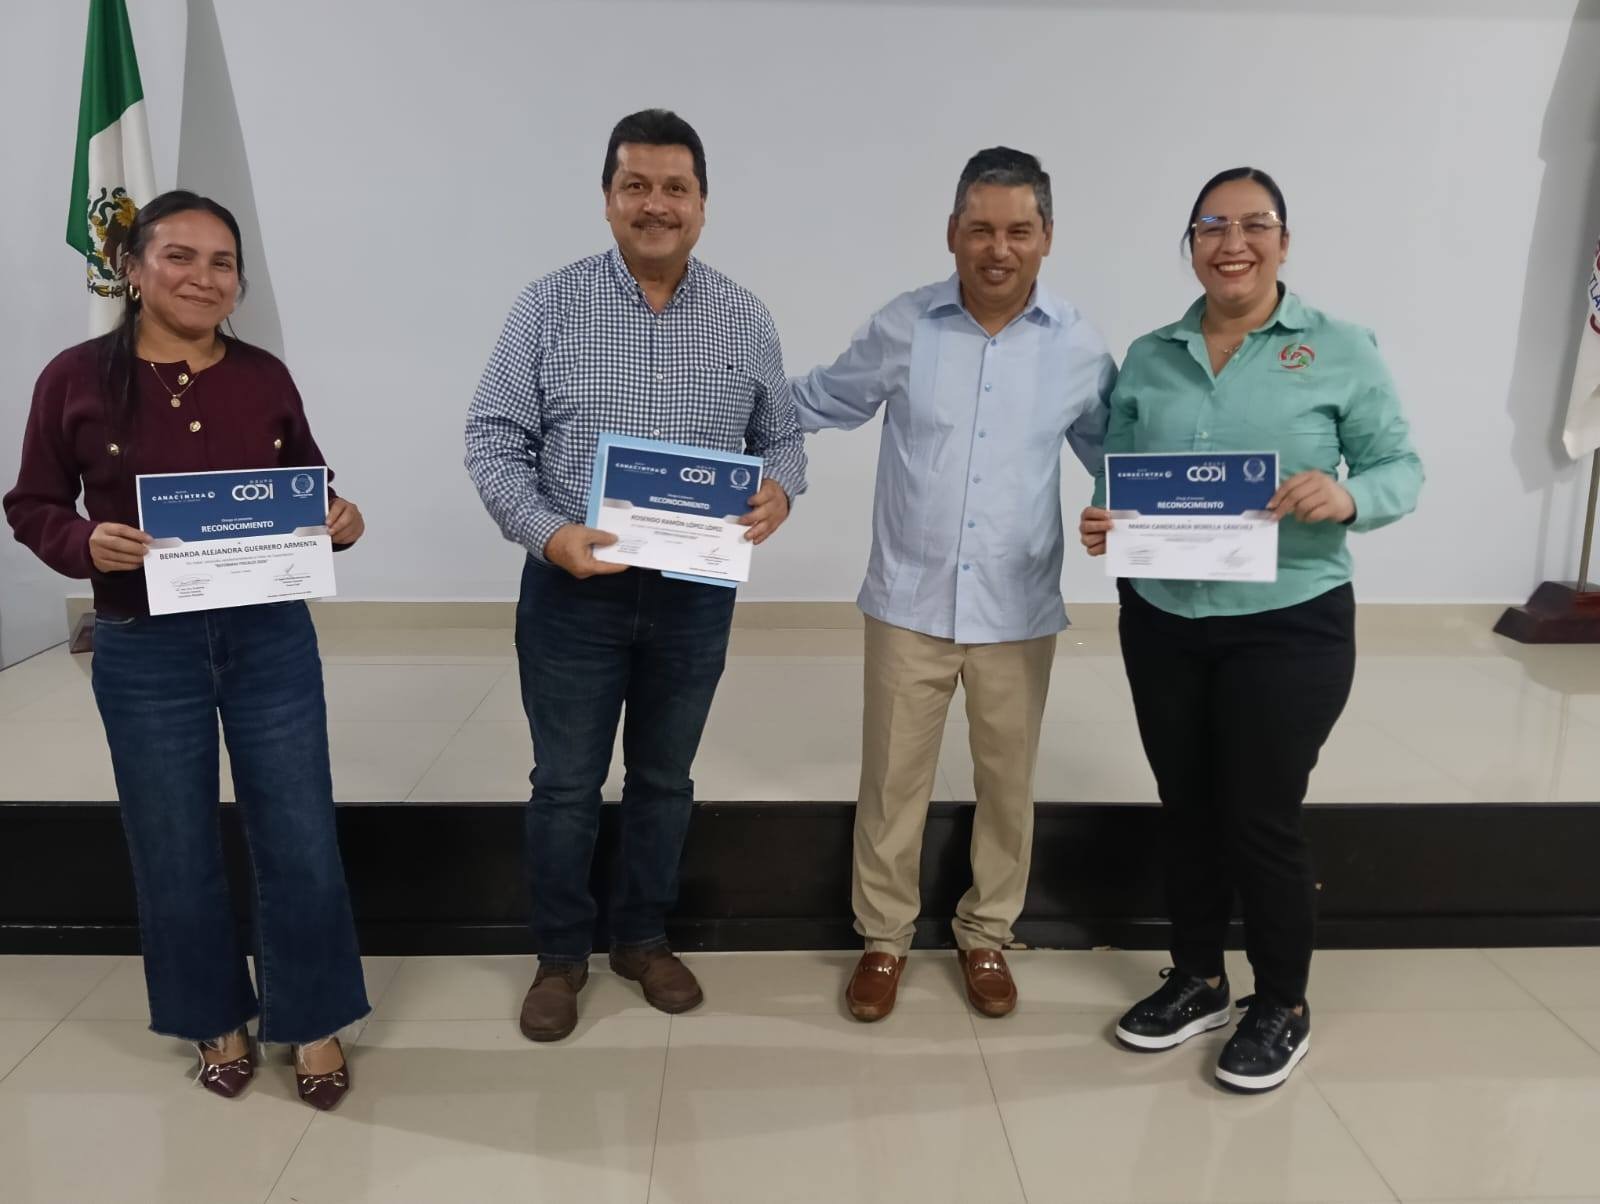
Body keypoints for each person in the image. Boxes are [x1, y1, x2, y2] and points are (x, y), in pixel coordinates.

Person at [3, 190, 369, 1110]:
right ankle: (213, 1016)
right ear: (132, 269)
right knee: (172, 840)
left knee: (299, 832)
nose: (203, 278)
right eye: (179, 256)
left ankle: (313, 1015)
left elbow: (309, 485)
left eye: (222, 263)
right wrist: (83, 542)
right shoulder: (74, 378)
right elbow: (32, 503)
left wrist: (341, 518)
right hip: (144, 647)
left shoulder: (264, 377)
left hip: (270, 637)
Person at [465, 109, 808, 1042]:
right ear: (608, 198)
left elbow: (781, 436)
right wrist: (549, 534)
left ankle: (643, 937)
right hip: (574, 590)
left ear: (703, 203)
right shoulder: (549, 305)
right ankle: (559, 955)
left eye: (675, 188)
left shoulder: (745, 314)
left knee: (664, 778)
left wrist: (780, 488)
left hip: (694, 596)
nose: (656, 205)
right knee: (565, 784)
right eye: (636, 186)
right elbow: (492, 437)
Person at [1079, 166, 1423, 1092]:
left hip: (1290, 623)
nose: (1233, 243)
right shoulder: (1153, 354)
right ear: (1191, 244)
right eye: (1211, 226)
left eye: (1254, 224)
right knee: (1187, 805)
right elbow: (1118, 469)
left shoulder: (1339, 348)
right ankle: (1198, 978)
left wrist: (1348, 496)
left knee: (1259, 815)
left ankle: (1283, 1003)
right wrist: (1105, 519)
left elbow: (1400, 466)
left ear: (1284, 241)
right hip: (1163, 618)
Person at [791, 148, 1115, 1021]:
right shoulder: (906, 326)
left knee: (1008, 786)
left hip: (1018, 608)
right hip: (910, 602)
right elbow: (820, 398)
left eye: (1018, 231)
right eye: (981, 229)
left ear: (1047, 237)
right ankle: (883, 940)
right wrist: (709, 420)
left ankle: (987, 933)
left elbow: (1118, 456)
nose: (998, 249)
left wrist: (1170, 515)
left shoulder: (1079, 345)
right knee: (892, 783)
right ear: (952, 234)